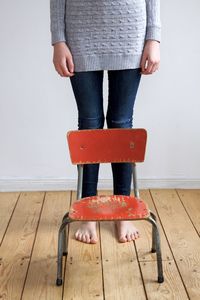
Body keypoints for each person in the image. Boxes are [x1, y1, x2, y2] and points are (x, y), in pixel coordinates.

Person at [50, 0, 161, 244]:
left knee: (121, 125)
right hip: (80, 31)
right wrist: (58, 40)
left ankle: (123, 210)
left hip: (129, 28)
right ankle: (88, 210)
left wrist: (154, 37)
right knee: (89, 126)